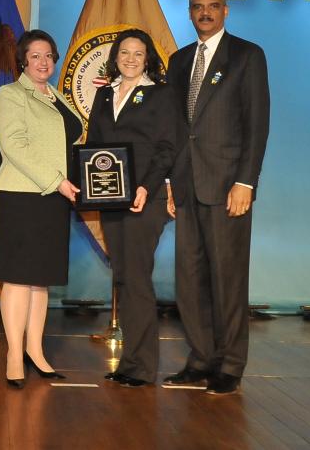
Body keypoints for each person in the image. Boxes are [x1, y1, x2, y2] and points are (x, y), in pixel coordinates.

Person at [164, 0, 270, 395]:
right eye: (197, 7)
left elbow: (256, 125)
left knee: (227, 279)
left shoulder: (247, 56)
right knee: (189, 279)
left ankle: (229, 364)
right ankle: (201, 357)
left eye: (213, 6)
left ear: (226, 11)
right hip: (187, 186)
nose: (205, 13)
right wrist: (170, 182)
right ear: (190, 13)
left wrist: (247, 181)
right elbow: (174, 129)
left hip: (228, 187)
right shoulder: (178, 60)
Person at [0, 30, 82, 388]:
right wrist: (58, 180)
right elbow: (14, 146)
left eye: (49, 56)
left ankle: (35, 351)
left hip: (54, 197)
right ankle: (14, 355)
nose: (44, 62)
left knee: (40, 280)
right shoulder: (11, 94)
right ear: (23, 61)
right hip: (23, 196)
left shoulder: (58, 97)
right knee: (17, 278)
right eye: (36, 56)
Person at [85, 28, 176, 388]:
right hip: (111, 199)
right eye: (125, 51)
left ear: (148, 58)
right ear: (116, 55)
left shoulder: (161, 95)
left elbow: (167, 148)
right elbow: (94, 146)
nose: (131, 58)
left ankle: (142, 367)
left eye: (139, 53)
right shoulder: (104, 96)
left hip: (144, 200)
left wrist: (145, 187)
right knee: (123, 277)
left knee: (137, 280)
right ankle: (129, 362)